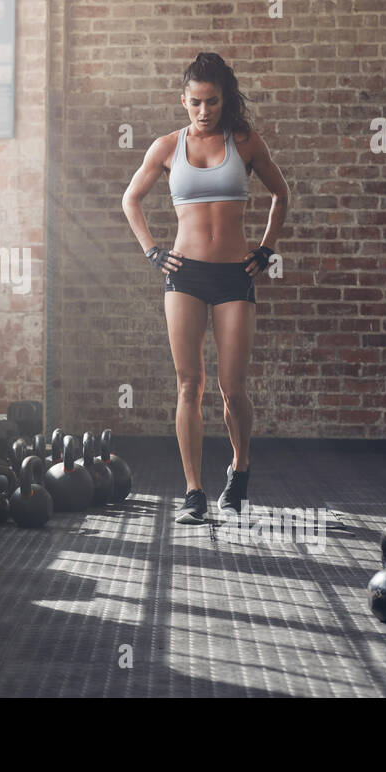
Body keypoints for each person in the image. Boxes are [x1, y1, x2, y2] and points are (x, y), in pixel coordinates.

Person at [121, 52, 290, 524]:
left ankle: (240, 466)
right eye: (195, 102)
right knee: (188, 385)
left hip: (235, 274)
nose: (203, 110)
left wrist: (266, 247)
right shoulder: (166, 147)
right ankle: (194, 490)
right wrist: (153, 250)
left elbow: (282, 194)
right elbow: (130, 199)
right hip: (185, 275)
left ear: (224, 99)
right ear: (184, 101)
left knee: (232, 387)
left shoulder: (245, 142)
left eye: (212, 101)